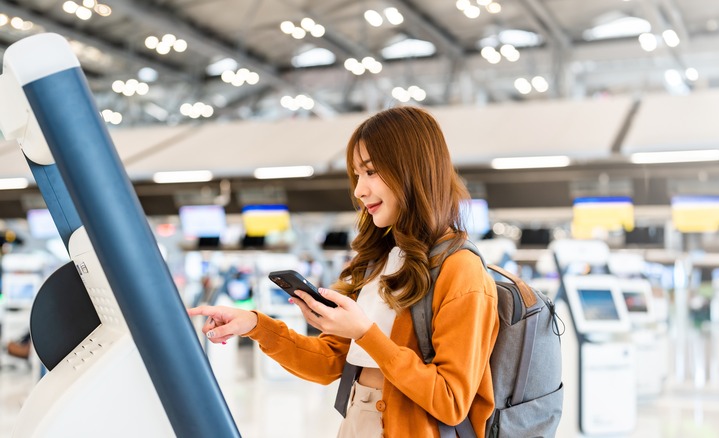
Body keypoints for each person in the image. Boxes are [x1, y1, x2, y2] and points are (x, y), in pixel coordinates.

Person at [188, 106, 499, 438]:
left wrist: (366, 333)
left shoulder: (460, 270)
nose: (359, 190)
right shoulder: (378, 260)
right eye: (357, 174)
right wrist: (255, 325)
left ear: (413, 171)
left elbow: (450, 401)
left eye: (372, 172)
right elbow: (327, 363)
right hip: (357, 423)